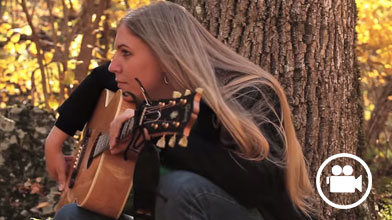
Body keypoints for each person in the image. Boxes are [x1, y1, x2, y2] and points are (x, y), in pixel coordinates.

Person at [46, 2, 316, 220]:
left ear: (166, 55)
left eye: (125, 53)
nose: (115, 65)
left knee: (180, 189)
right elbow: (102, 75)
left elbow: (261, 186)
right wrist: (57, 138)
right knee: (72, 215)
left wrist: (157, 128)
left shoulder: (248, 91)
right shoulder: (144, 85)